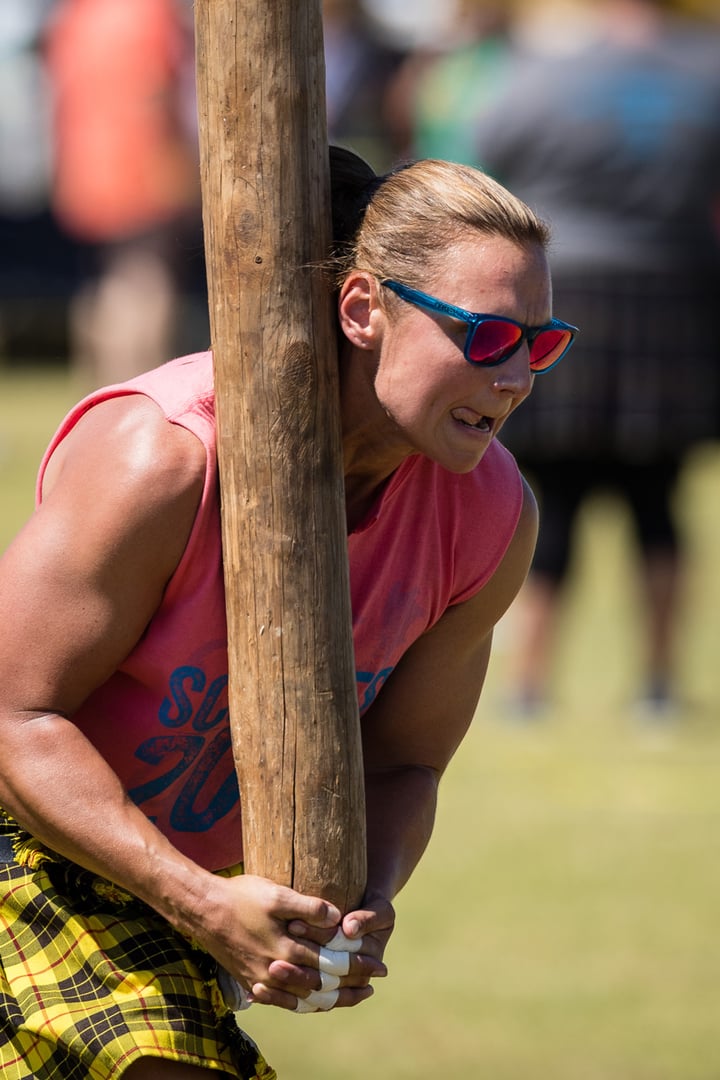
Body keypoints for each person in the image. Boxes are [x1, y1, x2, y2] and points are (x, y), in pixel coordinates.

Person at [0, 146, 575, 1078]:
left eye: (543, 345)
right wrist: (191, 899)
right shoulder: (168, 458)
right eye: (488, 339)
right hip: (27, 834)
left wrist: (366, 898)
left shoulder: (491, 516)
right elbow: (12, 713)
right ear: (363, 312)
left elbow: (406, 758)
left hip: (165, 882)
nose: (516, 378)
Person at [472, 0, 720, 717]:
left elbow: (492, 148)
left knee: (555, 497)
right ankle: (660, 686)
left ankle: (528, 687)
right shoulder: (707, 67)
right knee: (659, 498)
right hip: (674, 292)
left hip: (568, 294)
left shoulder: (543, 71)